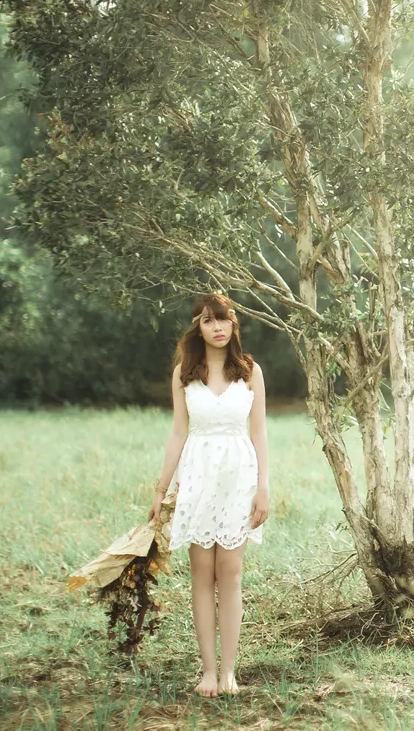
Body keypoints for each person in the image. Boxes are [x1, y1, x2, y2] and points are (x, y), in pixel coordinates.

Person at [147, 293, 270, 698]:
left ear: (233, 324)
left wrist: (263, 487)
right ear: (197, 328)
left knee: (230, 573)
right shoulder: (185, 372)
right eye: (207, 321)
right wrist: (161, 489)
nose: (216, 327)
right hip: (197, 476)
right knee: (202, 574)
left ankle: (231, 671)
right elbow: (178, 432)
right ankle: (208, 671)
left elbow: (259, 434)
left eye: (223, 320)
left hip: (239, 476)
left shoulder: (250, 371)